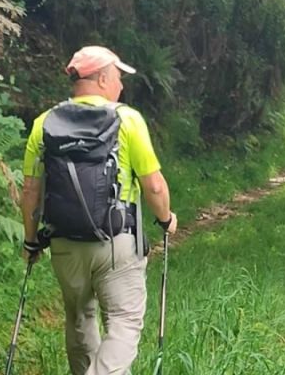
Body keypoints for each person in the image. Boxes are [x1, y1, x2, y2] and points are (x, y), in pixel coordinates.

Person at [20, 45, 178, 375]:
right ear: (102, 79)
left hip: (64, 242)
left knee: (79, 317)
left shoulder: (44, 123)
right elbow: (154, 186)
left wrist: (31, 241)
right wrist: (166, 219)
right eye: (118, 77)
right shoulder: (127, 119)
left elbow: (31, 191)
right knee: (124, 321)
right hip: (116, 242)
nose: (121, 85)